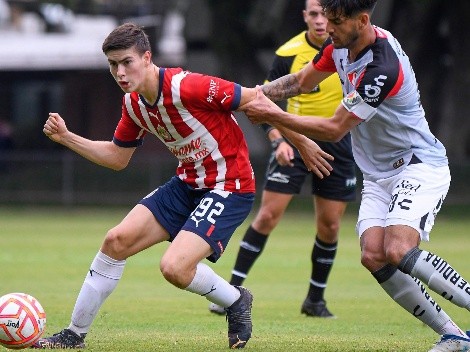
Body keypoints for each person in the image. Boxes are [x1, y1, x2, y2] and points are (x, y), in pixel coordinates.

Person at [32, 22, 333, 350]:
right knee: (115, 241)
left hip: (229, 185)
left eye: (126, 62)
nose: (119, 72)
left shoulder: (187, 85)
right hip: (187, 184)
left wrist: (301, 142)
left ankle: (235, 301)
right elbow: (118, 158)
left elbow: (255, 100)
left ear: (147, 58)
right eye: (112, 64)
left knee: (174, 268)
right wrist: (66, 137)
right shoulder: (133, 103)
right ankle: (74, 335)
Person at [241, 0, 470, 351]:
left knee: (398, 249)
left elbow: (334, 129)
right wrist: (253, 95)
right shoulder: (339, 48)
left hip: (417, 164)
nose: (327, 28)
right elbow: (302, 82)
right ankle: (454, 335)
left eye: (335, 21)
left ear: (362, 21)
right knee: (372, 256)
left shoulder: (382, 67)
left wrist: (273, 115)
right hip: (378, 175)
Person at [208, 0, 356, 319]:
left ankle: (315, 300)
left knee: (329, 225)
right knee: (267, 218)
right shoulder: (288, 53)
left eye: (325, 14)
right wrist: (278, 141)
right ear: (305, 16)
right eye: (313, 14)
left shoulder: (349, 50)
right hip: (294, 139)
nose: (320, 21)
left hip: (338, 144)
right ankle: (229, 293)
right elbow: (263, 101)